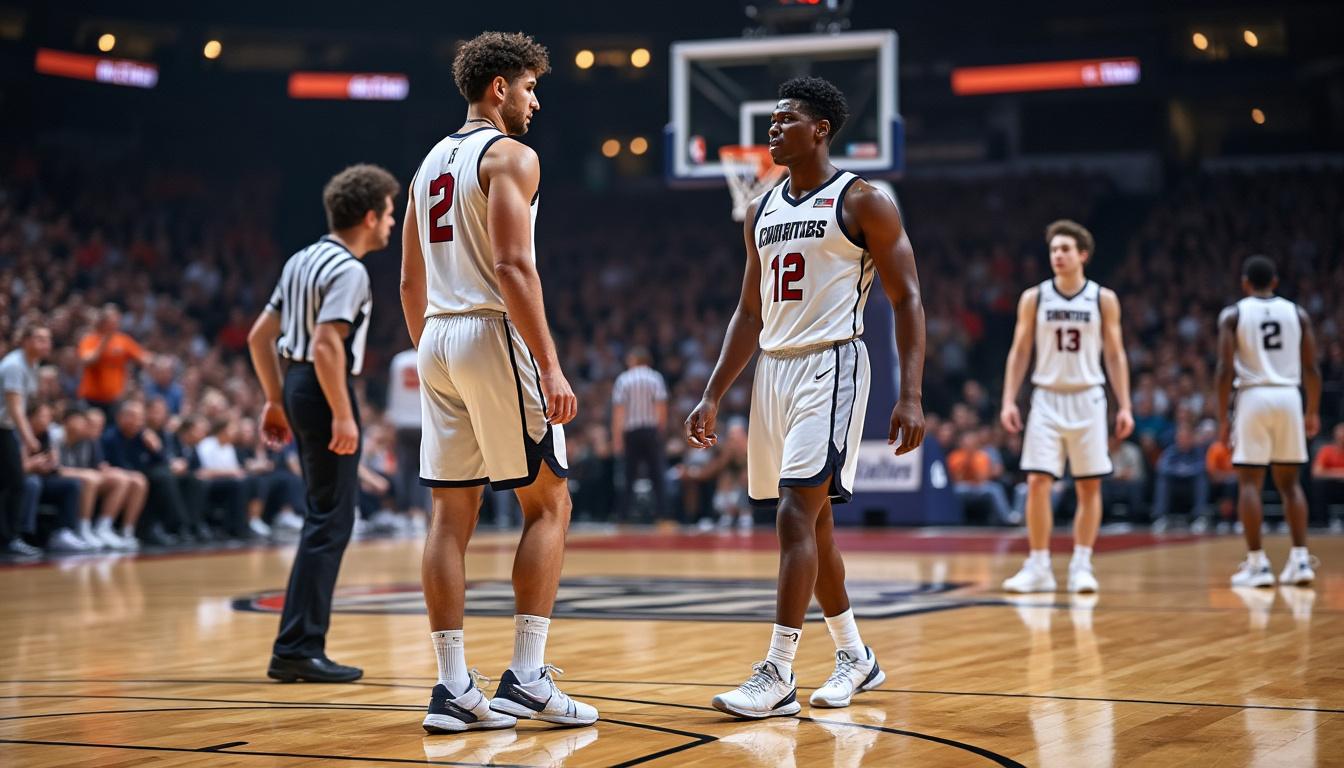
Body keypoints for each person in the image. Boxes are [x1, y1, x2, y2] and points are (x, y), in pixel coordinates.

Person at [685, 76, 926, 718]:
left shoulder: (863, 200)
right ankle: (856, 655)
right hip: (775, 371)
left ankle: (778, 671)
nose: (771, 130)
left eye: (784, 120)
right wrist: (713, 395)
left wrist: (912, 394)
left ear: (820, 128)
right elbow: (747, 310)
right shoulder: (761, 209)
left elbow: (907, 299)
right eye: (770, 120)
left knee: (794, 514)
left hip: (834, 364)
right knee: (813, 526)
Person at [399, 31, 597, 733]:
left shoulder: (426, 165)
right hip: (490, 331)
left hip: (438, 337)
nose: (536, 102)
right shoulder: (510, 155)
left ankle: (453, 688)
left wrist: (434, 354)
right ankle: (528, 677)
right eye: (531, 87)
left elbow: (408, 281)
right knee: (550, 504)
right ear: (499, 88)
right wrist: (548, 363)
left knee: (450, 516)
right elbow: (515, 267)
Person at [247, 162, 400, 682]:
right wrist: (342, 412)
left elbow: (258, 336)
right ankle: (297, 647)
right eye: (388, 213)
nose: (392, 223)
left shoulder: (300, 260)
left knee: (322, 517)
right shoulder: (350, 270)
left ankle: (296, 644)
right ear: (367, 215)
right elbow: (327, 343)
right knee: (330, 521)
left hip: (296, 384)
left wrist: (273, 400)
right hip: (322, 386)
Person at [1000, 220, 1133, 594]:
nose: (1057, 255)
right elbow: (1020, 350)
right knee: (1038, 481)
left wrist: (1124, 405)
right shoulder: (1035, 297)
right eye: (1054, 249)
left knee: (1089, 485)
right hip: (1046, 396)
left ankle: (1081, 564)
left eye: (1065, 249)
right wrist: (1009, 399)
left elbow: (1115, 353)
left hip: (1088, 396)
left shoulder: (1102, 298)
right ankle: (1039, 564)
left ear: (1083, 255)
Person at [1216, 255, 1321, 587]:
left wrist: (1222, 417)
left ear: (1245, 283)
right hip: (1289, 395)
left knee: (1250, 483)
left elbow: (1223, 370)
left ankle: (1258, 564)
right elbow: (1313, 370)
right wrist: (1312, 410)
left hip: (1253, 395)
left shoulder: (1233, 314)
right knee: (1291, 484)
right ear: (1275, 282)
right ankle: (1301, 560)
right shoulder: (1297, 313)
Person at [1, 323, 52, 557]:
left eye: (47, 339)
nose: (46, 343)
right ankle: (11, 539)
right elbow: (15, 409)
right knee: (17, 483)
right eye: (40, 338)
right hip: (3, 428)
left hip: (5, 429)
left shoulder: (32, 364)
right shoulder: (14, 365)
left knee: (8, 484)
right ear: (25, 340)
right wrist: (29, 438)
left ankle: (8, 537)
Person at [611, 347, 669, 522]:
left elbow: (619, 411)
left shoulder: (624, 379)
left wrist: (617, 438)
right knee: (657, 475)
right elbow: (662, 407)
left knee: (628, 476)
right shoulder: (655, 377)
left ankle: (623, 516)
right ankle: (663, 515)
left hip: (631, 432)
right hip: (651, 431)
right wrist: (661, 430)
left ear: (635, 359)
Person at [77, 304, 151, 411]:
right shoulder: (89, 340)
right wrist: (105, 341)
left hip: (114, 399)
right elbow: (88, 360)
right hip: (91, 398)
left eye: (116, 320)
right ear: (102, 321)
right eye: (109, 320)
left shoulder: (123, 341)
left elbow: (143, 358)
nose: (113, 324)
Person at [386, 348, 429, 523]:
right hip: (424, 421)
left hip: (402, 422)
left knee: (405, 469)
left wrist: (391, 418)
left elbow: (393, 392)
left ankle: (404, 512)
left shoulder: (399, 359)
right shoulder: (430, 354)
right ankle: (418, 512)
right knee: (424, 470)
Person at [1311, 424, 1344, 523]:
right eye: (1340, 436)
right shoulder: (1326, 450)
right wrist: (1339, 474)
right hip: (1330, 488)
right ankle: (1321, 522)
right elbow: (1316, 472)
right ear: (1335, 436)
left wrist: (1330, 471)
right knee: (1318, 486)